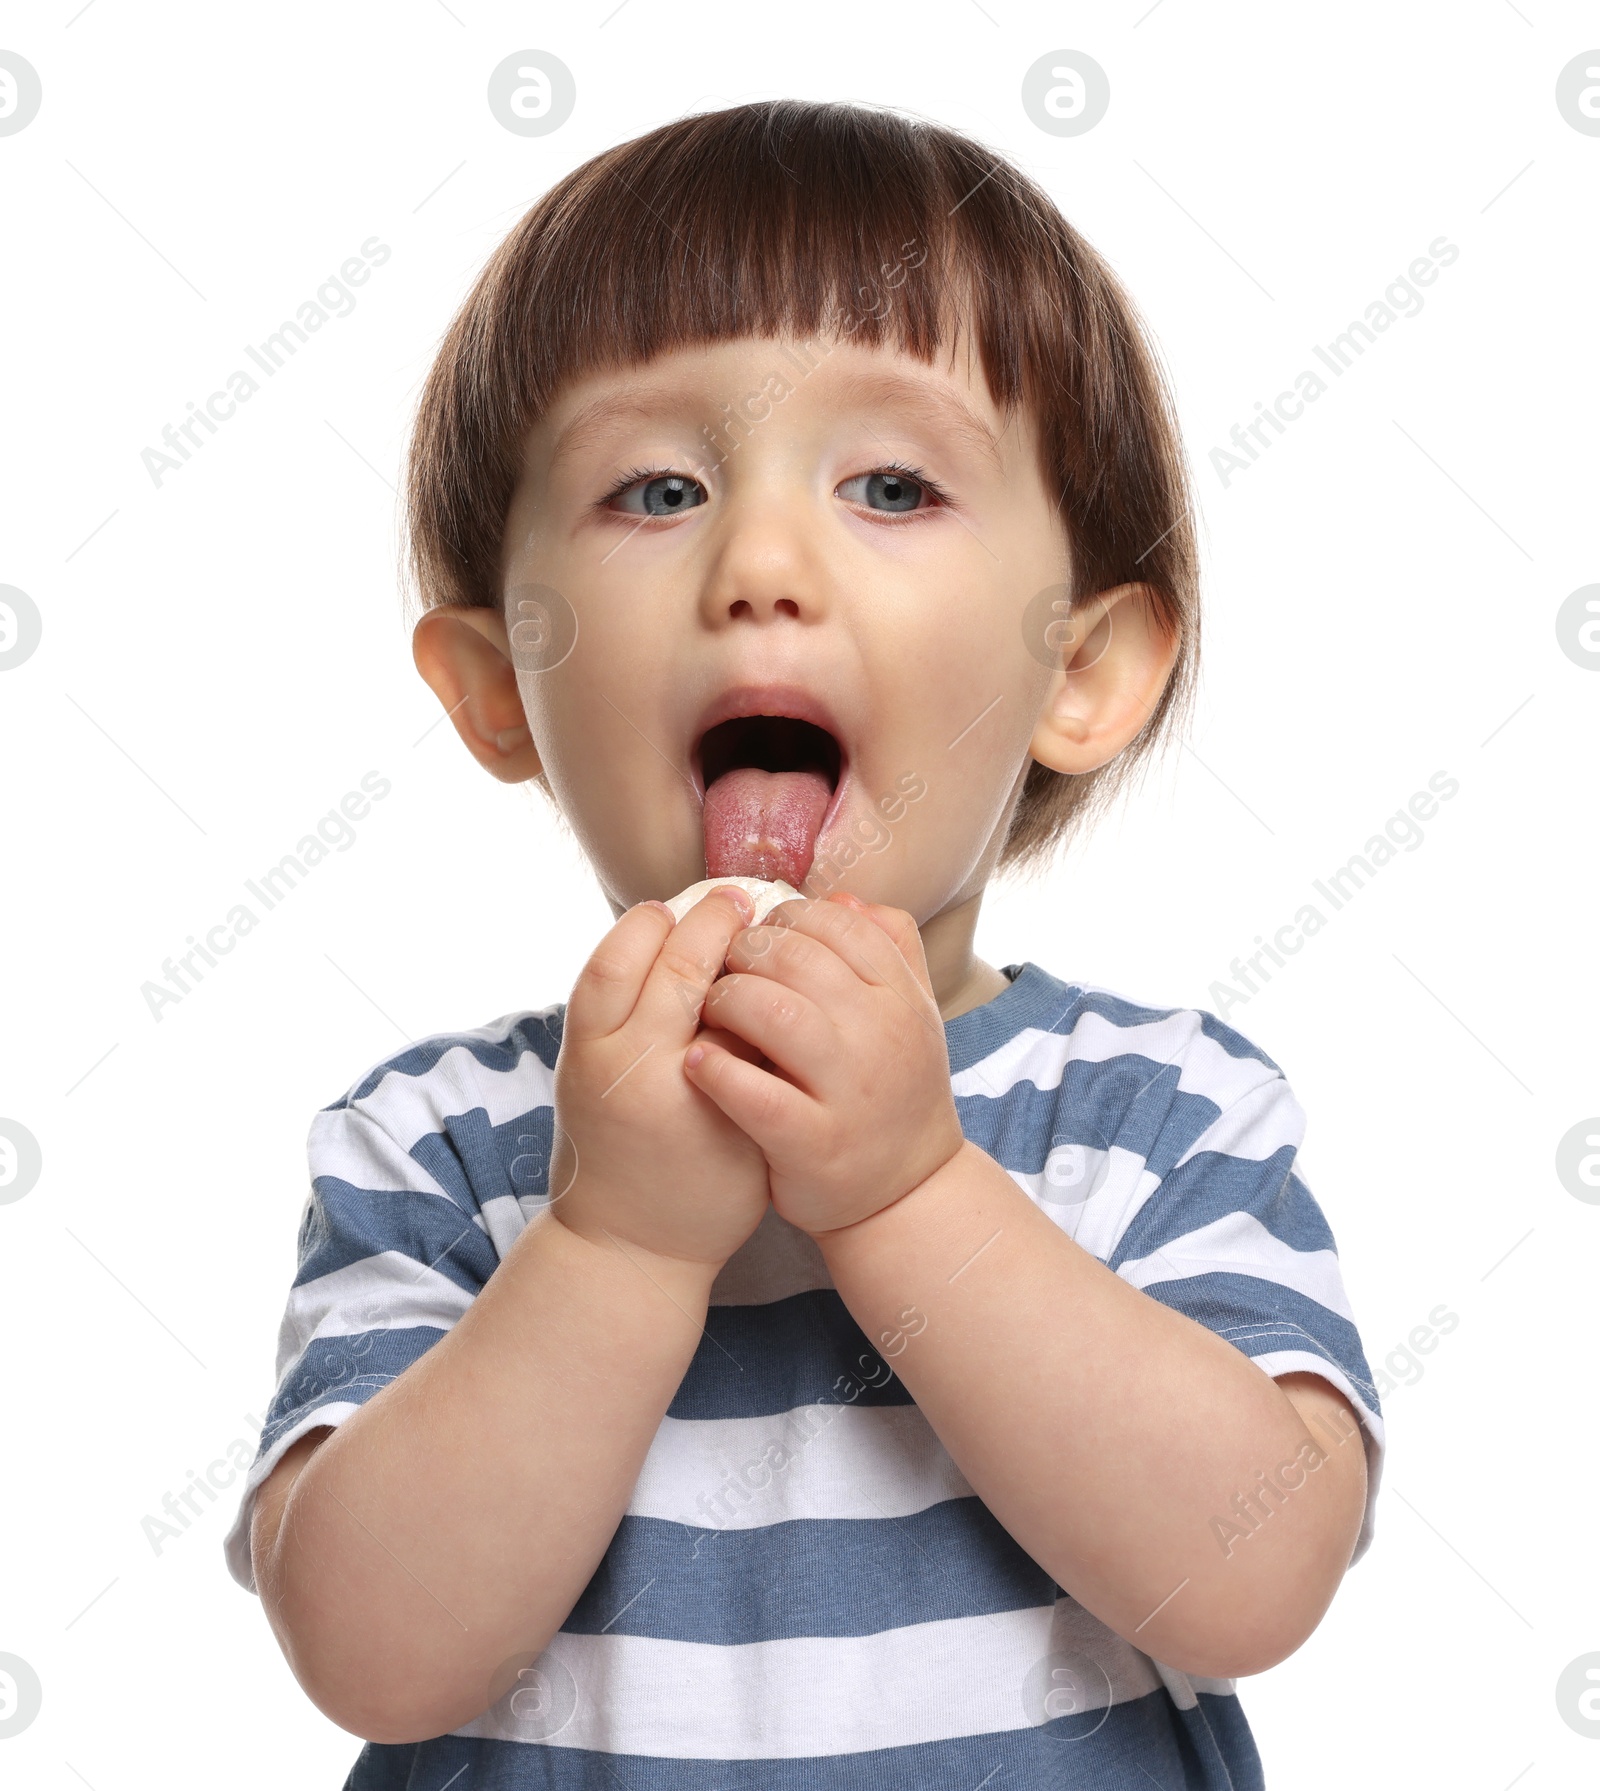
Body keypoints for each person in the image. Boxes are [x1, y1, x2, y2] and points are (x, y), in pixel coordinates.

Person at [225, 99, 1383, 1788]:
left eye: (893, 485)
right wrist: (613, 1247)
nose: (760, 563)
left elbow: (1254, 1577)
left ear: (1081, 670)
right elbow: (373, 1654)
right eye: (658, 488)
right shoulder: (448, 1150)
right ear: (498, 686)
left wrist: (912, 1197)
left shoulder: (1156, 1116)